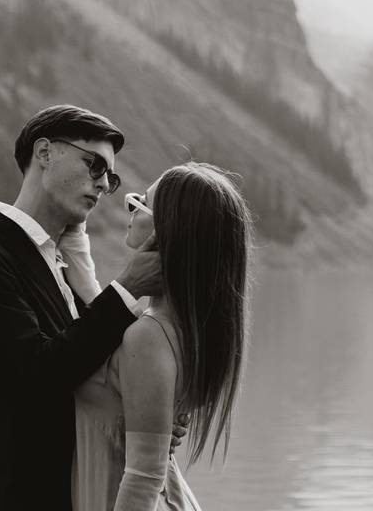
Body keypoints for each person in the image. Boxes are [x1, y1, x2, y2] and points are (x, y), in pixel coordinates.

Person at [0, 105, 186, 511]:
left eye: (111, 178)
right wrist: (127, 289)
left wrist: (150, 414)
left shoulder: (66, 265)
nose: (103, 184)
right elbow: (37, 376)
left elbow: (91, 373)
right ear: (44, 153)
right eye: (95, 165)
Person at [67, 162, 253, 511]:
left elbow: (144, 477)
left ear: (170, 229)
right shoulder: (185, 329)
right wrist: (73, 232)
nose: (129, 206)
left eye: (140, 203)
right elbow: (95, 312)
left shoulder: (149, 336)